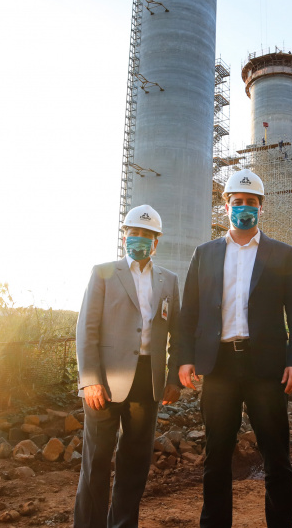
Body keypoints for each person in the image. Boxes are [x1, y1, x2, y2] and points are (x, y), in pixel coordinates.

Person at [178, 168, 292, 528]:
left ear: (261, 207)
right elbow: (189, 312)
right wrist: (184, 358)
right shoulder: (204, 254)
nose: (244, 207)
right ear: (226, 206)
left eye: (251, 202)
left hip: (266, 367)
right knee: (217, 457)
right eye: (238, 201)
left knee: (276, 457)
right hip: (219, 366)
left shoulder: (281, 254)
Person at [73, 204, 182, 528]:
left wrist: (173, 378)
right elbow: (87, 329)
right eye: (134, 233)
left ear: (156, 242)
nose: (139, 239)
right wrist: (90, 380)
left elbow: (178, 334)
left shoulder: (169, 280)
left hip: (148, 381)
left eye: (147, 235)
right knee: (96, 462)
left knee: (135, 463)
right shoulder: (104, 273)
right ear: (124, 237)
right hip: (104, 381)